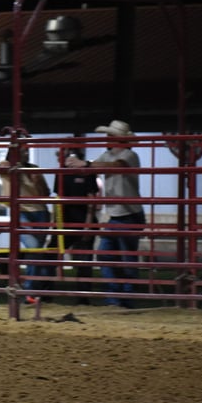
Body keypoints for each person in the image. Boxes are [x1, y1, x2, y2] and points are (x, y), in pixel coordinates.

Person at [65, 119, 145, 308]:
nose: (106, 138)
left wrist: (84, 164)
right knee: (106, 255)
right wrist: (80, 166)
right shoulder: (108, 155)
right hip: (118, 214)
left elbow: (116, 165)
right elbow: (97, 167)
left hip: (127, 214)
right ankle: (116, 297)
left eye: (110, 135)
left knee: (123, 258)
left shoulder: (130, 155)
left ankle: (124, 299)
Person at [0, 146, 53, 303]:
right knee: (34, 248)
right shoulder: (8, 167)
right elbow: (2, 167)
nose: (27, 153)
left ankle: (32, 291)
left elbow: (46, 192)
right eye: (23, 151)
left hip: (40, 212)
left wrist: (37, 182)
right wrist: (15, 166)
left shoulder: (34, 169)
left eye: (27, 151)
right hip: (21, 212)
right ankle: (30, 290)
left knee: (36, 252)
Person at [53, 147, 100, 305]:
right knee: (50, 255)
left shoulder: (86, 172)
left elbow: (91, 200)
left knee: (83, 261)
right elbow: (58, 199)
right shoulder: (61, 172)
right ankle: (43, 293)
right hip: (66, 222)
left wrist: (87, 225)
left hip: (82, 222)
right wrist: (56, 224)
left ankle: (83, 297)